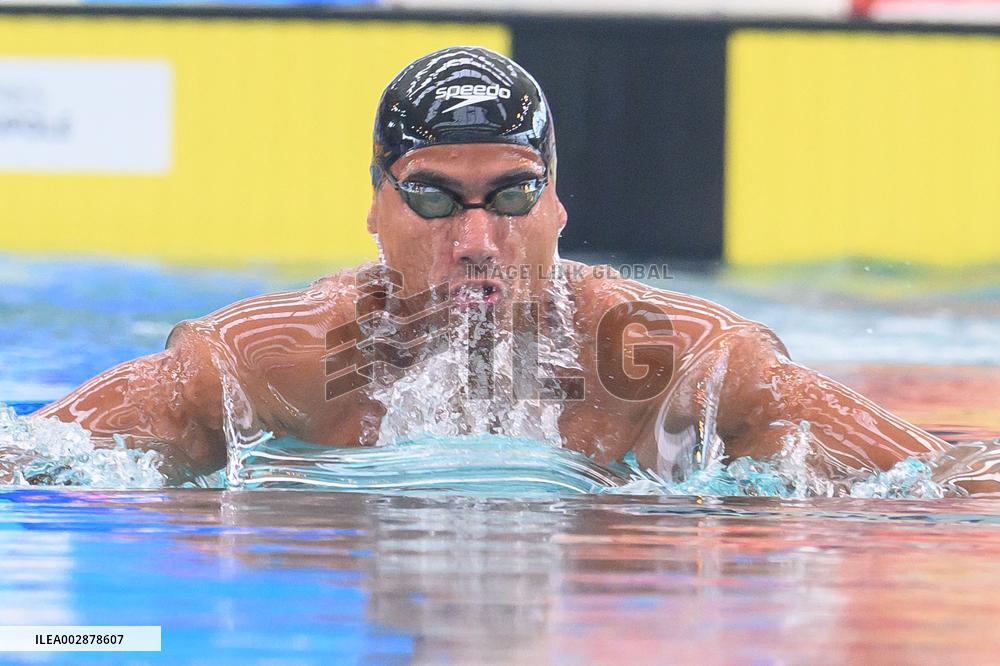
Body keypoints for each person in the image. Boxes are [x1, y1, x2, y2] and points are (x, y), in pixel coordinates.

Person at [33, 46, 951, 488]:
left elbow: (939, 481)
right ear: (377, 210)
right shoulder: (266, 362)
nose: (477, 239)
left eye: (510, 196)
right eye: (433, 198)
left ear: (556, 205)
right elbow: (31, 461)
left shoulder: (683, 361)